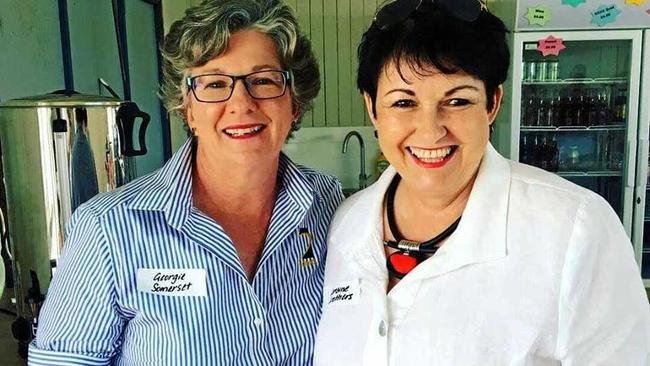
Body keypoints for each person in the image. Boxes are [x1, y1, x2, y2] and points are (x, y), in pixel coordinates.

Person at [314, 1, 650, 365]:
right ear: (372, 108)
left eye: (457, 101)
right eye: (403, 103)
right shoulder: (347, 224)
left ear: (492, 104)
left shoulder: (575, 229)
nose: (430, 130)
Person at [29, 0, 343, 364]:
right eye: (214, 83)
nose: (241, 103)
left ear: (296, 102)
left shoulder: (327, 206)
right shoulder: (108, 229)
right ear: (187, 108)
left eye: (263, 80)